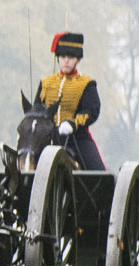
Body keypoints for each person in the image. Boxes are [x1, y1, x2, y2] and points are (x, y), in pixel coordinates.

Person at [37, 32, 104, 169]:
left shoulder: (87, 84)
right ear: (58, 58)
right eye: (62, 56)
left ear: (77, 60)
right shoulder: (45, 83)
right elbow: (37, 110)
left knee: (98, 172)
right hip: (47, 139)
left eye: (71, 57)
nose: (66, 60)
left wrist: (72, 124)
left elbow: (92, 111)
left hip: (77, 138)